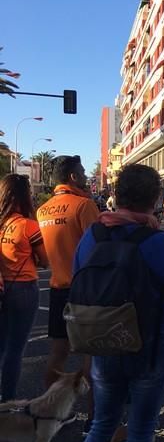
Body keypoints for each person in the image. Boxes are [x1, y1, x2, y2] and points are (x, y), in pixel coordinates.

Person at [75, 165, 164, 442]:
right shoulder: (162, 243)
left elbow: (77, 277)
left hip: (102, 338)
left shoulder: (91, 236)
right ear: (155, 199)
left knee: (102, 424)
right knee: (140, 428)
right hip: (149, 342)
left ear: (116, 195)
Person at [36, 155, 99, 423]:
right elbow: (99, 248)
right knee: (92, 354)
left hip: (57, 288)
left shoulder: (43, 210)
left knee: (58, 352)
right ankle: (94, 417)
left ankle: (50, 411)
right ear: (73, 176)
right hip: (84, 290)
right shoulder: (84, 205)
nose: (85, 175)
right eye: (83, 171)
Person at [0, 175, 49, 400]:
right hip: (24, 289)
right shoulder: (28, 226)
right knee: (15, 348)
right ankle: (7, 400)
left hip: (2, 287)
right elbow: (45, 260)